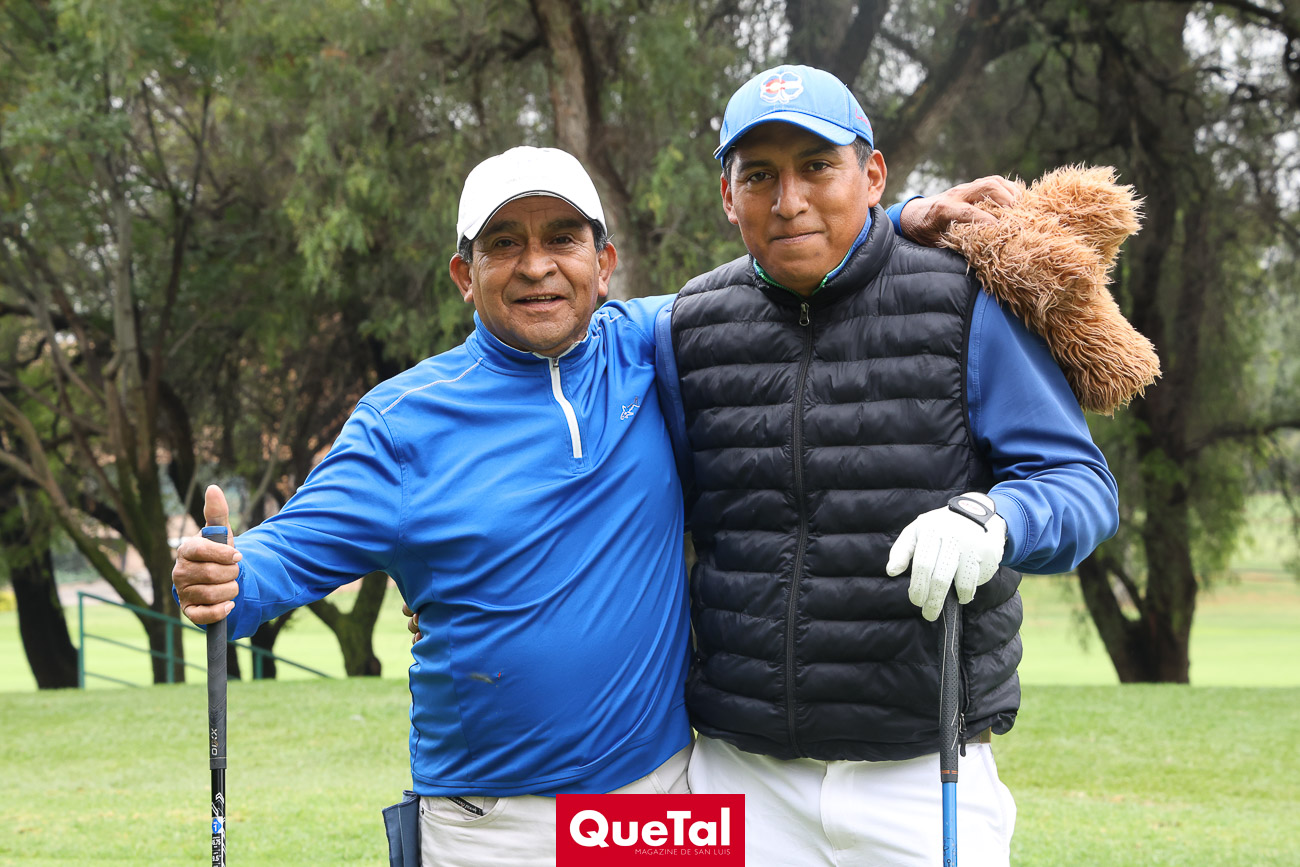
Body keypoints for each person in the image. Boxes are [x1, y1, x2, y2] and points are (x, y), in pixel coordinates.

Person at [173, 142, 1001, 865]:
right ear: (465, 276)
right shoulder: (402, 423)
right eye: (505, 243)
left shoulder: (655, 344)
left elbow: (791, 269)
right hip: (492, 820)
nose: (537, 266)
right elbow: (279, 557)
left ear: (603, 264)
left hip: (662, 800)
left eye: (562, 239)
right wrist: (227, 573)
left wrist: (898, 219)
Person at [668, 64, 1119, 866]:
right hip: (737, 773)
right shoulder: (685, 326)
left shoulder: (968, 301)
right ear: (727, 196)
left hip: (923, 771)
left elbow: (1081, 488)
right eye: (759, 175)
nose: (789, 200)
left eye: (818, 166)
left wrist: (996, 517)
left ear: (871, 175)